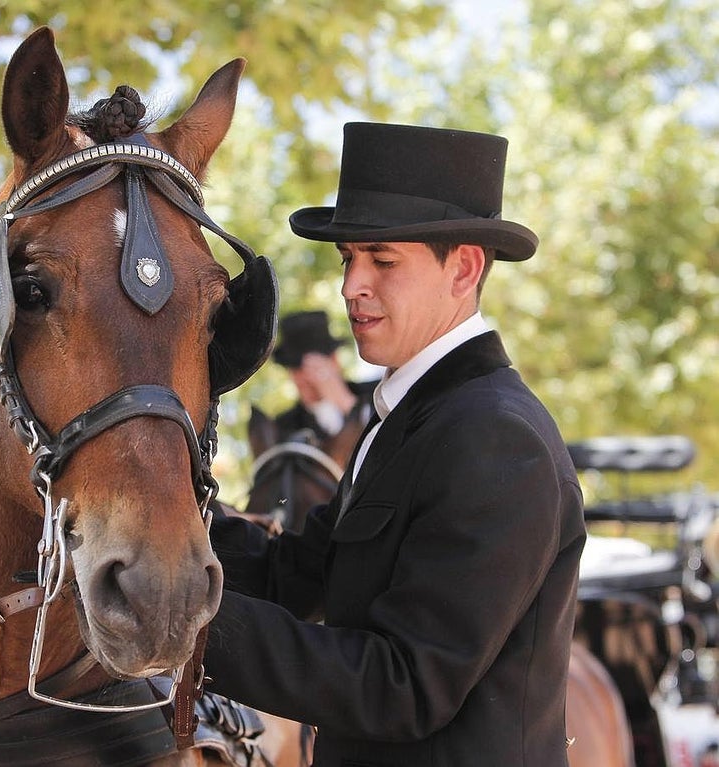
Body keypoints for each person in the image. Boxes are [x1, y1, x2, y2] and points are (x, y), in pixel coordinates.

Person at [204, 122, 587, 766]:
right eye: (348, 259)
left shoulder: (495, 436)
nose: (352, 286)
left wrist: (184, 625)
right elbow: (293, 576)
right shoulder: (410, 417)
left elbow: (403, 687)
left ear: (463, 267)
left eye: (382, 260)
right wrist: (155, 521)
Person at [267, 309, 377, 445]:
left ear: (334, 361)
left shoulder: (377, 394)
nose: (303, 377)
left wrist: (346, 403)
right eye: (295, 368)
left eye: (311, 367)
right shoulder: (283, 428)